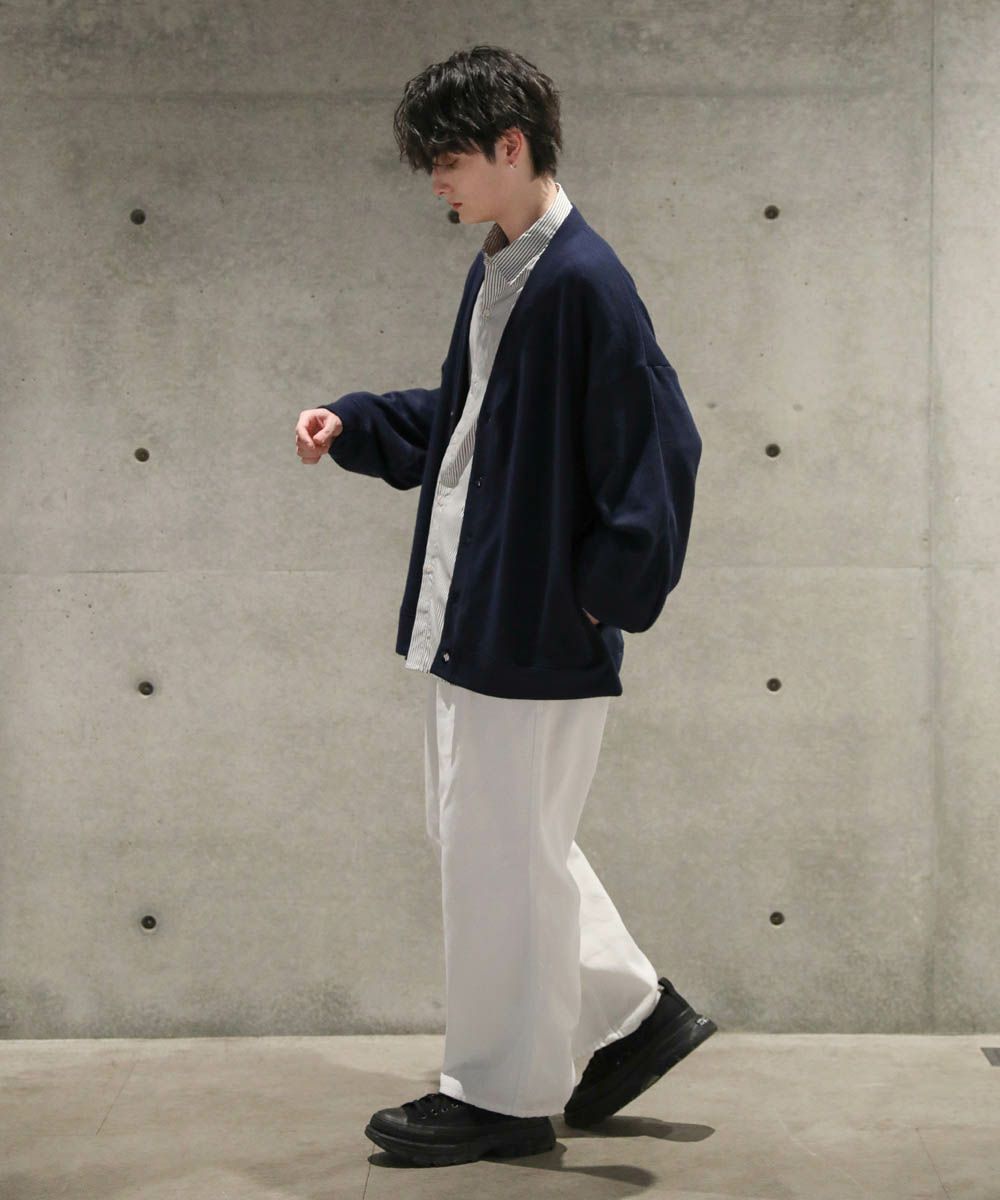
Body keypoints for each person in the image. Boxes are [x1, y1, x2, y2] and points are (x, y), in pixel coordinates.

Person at [294, 44, 715, 1167]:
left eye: (447, 158)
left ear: (510, 145)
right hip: (481, 617)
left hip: (532, 630)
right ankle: (631, 1016)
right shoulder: (507, 268)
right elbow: (475, 419)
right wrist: (361, 423)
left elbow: (660, 448)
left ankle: (499, 1095)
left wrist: (591, 601)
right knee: (492, 841)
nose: (435, 179)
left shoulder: (583, 282)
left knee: (499, 859)